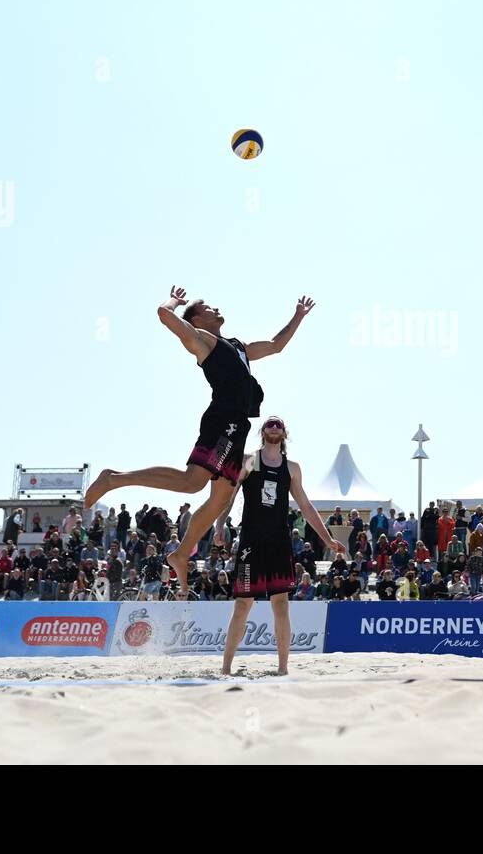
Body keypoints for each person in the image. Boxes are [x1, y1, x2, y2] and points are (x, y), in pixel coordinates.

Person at [84, 287, 316, 589]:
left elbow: (276, 345)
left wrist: (297, 316)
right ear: (196, 320)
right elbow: (164, 315)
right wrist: (175, 302)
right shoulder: (204, 342)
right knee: (192, 482)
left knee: (219, 501)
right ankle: (114, 478)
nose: (215, 308)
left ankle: (181, 555)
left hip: (237, 427)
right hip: (223, 422)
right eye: (207, 307)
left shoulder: (238, 346)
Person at [216, 416, 345, 676]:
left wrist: (328, 538)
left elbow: (306, 507)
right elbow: (229, 496)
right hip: (251, 542)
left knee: (281, 604)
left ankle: (283, 668)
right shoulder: (248, 460)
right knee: (242, 604)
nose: (273, 427)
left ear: (285, 433)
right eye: (269, 424)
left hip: (278, 543)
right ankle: (226, 668)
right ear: (262, 431)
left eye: (278, 425)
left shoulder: (293, 468)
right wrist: (220, 526)